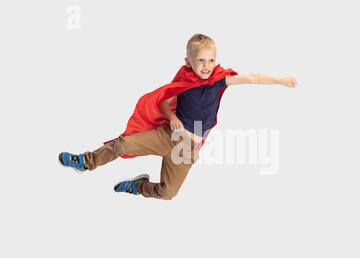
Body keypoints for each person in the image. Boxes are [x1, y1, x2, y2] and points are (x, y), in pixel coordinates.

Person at [58, 33, 297, 200]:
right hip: (168, 133)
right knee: (123, 143)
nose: (206, 66)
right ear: (188, 62)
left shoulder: (217, 82)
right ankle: (86, 162)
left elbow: (250, 78)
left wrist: (281, 81)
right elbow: (162, 100)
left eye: (211, 60)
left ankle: (139, 186)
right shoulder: (183, 81)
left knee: (168, 192)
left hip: (187, 145)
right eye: (200, 60)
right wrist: (171, 117)